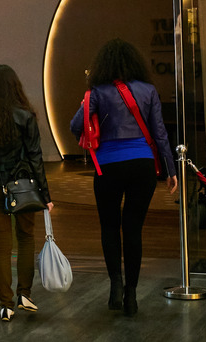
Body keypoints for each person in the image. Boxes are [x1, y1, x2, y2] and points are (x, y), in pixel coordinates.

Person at [70, 38, 179, 317]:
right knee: (133, 229)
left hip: (108, 166)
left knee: (109, 226)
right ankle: (132, 295)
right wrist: (171, 170)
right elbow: (160, 133)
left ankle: (115, 285)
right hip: (142, 165)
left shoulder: (97, 92)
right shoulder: (149, 90)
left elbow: (75, 125)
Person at [0, 64, 54, 322]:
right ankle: (24, 294)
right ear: (16, 87)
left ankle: (5, 305)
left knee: (1, 245)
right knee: (26, 239)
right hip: (23, 186)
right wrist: (45, 195)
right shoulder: (25, 116)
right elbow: (35, 157)